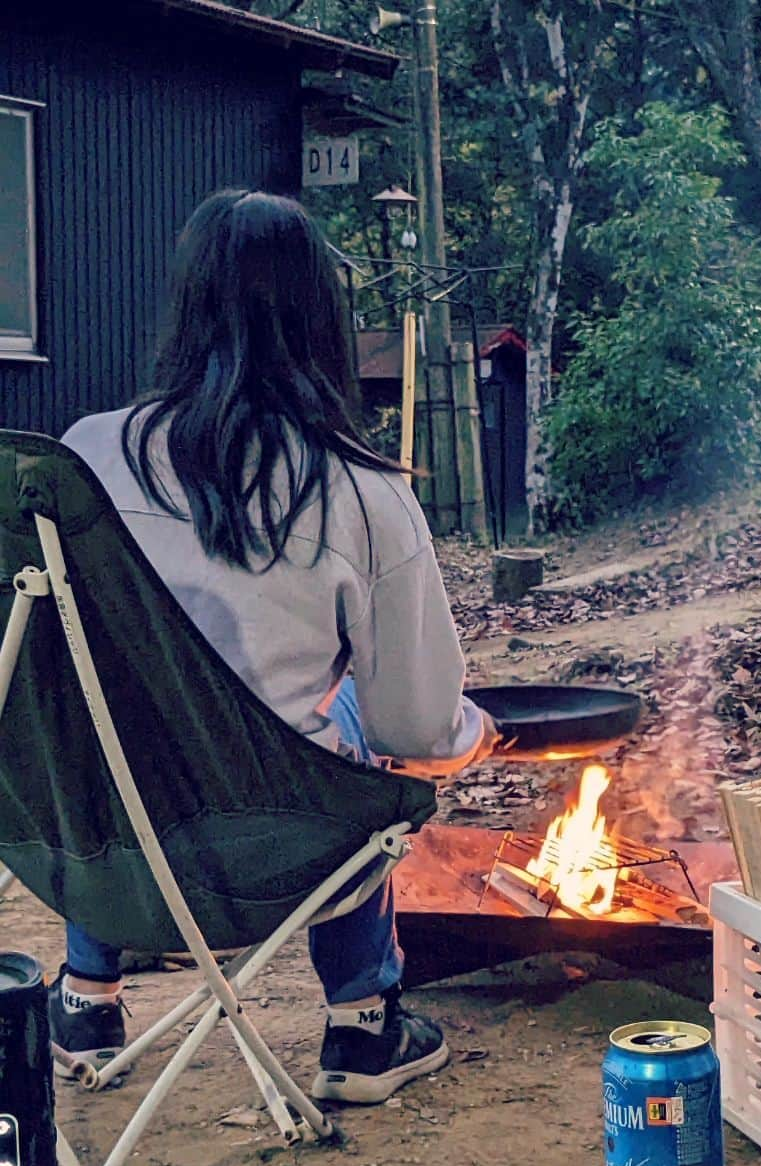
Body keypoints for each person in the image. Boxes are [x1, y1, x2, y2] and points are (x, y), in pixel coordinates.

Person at [51, 188, 496, 1105]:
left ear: (185, 306)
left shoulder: (81, 459)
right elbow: (414, 721)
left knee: (99, 719)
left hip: (103, 858)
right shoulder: (362, 493)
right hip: (272, 868)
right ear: (321, 320)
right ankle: (363, 1026)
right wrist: (472, 734)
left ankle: (88, 1003)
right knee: (355, 721)